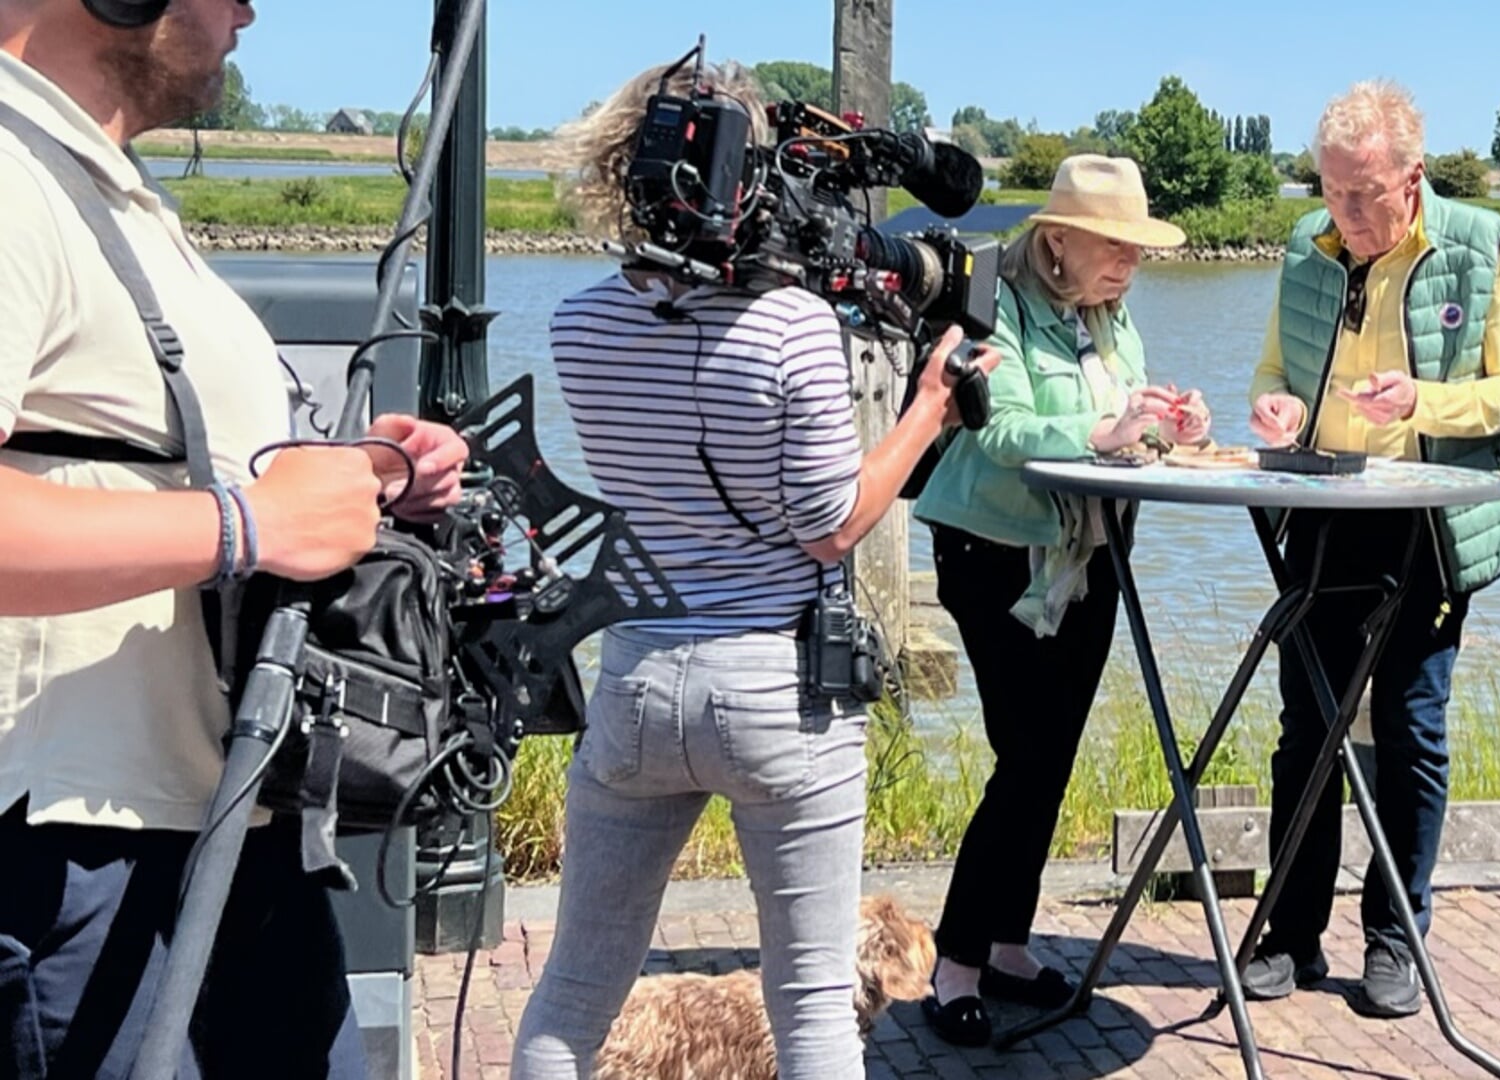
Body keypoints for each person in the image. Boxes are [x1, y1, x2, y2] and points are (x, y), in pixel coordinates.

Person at [0, 1, 471, 1076]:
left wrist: (358, 475)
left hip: (209, 826)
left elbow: (119, 459)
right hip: (81, 850)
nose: (249, 9)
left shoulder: (98, 186)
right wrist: (246, 523)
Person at [509, 59, 997, 1080]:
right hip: (776, 690)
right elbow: (828, 525)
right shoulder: (794, 326)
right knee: (814, 1005)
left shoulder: (579, 324)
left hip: (637, 677)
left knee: (575, 989)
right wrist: (928, 411)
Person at [1242, 80, 1500, 1019]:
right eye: (1330, 191)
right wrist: (1278, 409)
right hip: (1325, 506)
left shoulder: (1477, 247)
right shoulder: (1307, 249)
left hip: (1429, 518)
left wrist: (1425, 403)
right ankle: (1290, 934)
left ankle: (1394, 937)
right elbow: (1273, 370)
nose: (1344, 213)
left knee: (1411, 729)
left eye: (1362, 195)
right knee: (1308, 731)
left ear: (1411, 178)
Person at [912, 154, 1209, 1047]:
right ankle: (954, 963)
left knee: (1054, 757)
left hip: (1090, 557)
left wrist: (1167, 422)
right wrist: (1099, 427)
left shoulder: (1114, 319)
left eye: (1137, 246)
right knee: (1025, 754)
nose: (1129, 261)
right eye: (1114, 244)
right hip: (992, 551)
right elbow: (995, 427)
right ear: (1060, 239)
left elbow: (1127, 425)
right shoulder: (998, 303)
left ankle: (1007, 943)